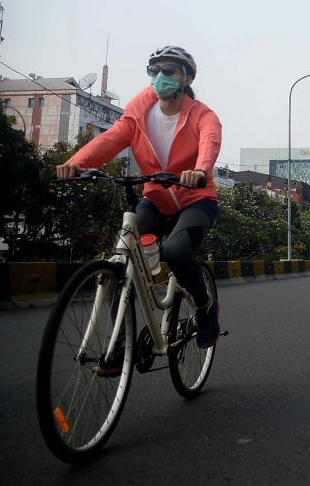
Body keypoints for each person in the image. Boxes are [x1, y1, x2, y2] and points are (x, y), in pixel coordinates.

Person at [57, 45, 222, 355]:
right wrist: (77, 163)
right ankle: (119, 344)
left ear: (185, 77)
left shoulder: (203, 115)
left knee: (175, 251)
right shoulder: (139, 109)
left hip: (195, 199)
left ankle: (204, 306)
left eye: (168, 70)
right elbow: (111, 138)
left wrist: (200, 170)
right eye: (154, 70)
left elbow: (209, 142)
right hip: (156, 198)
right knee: (120, 255)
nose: (160, 76)